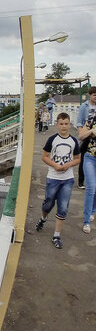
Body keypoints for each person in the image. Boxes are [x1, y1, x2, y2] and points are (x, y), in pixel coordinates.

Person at [36, 113, 80, 248]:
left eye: (66, 124)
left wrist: (68, 165)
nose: (64, 126)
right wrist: (55, 165)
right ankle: (43, 218)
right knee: (48, 202)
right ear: (57, 125)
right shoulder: (52, 139)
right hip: (53, 178)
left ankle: (56, 235)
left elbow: (78, 158)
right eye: (61, 124)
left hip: (67, 179)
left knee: (63, 206)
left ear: (70, 124)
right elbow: (44, 156)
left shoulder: (73, 141)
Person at [77, 86, 96, 232]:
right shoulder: (91, 119)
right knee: (91, 187)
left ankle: (92, 211)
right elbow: (81, 135)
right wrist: (91, 131)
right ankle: (86, 221)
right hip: (90, 156)